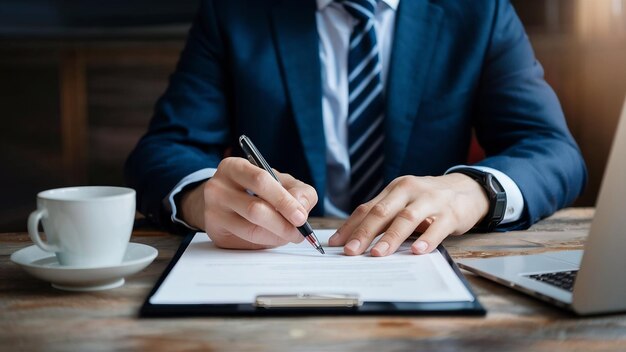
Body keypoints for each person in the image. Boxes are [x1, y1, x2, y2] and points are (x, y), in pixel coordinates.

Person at [125, 0, 587, 257]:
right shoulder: (235, 13)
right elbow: (164, 149)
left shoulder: (479, 12)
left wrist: (473, 191)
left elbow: (551, 149)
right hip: (276, 270)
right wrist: (202, 198)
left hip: (419, 263)